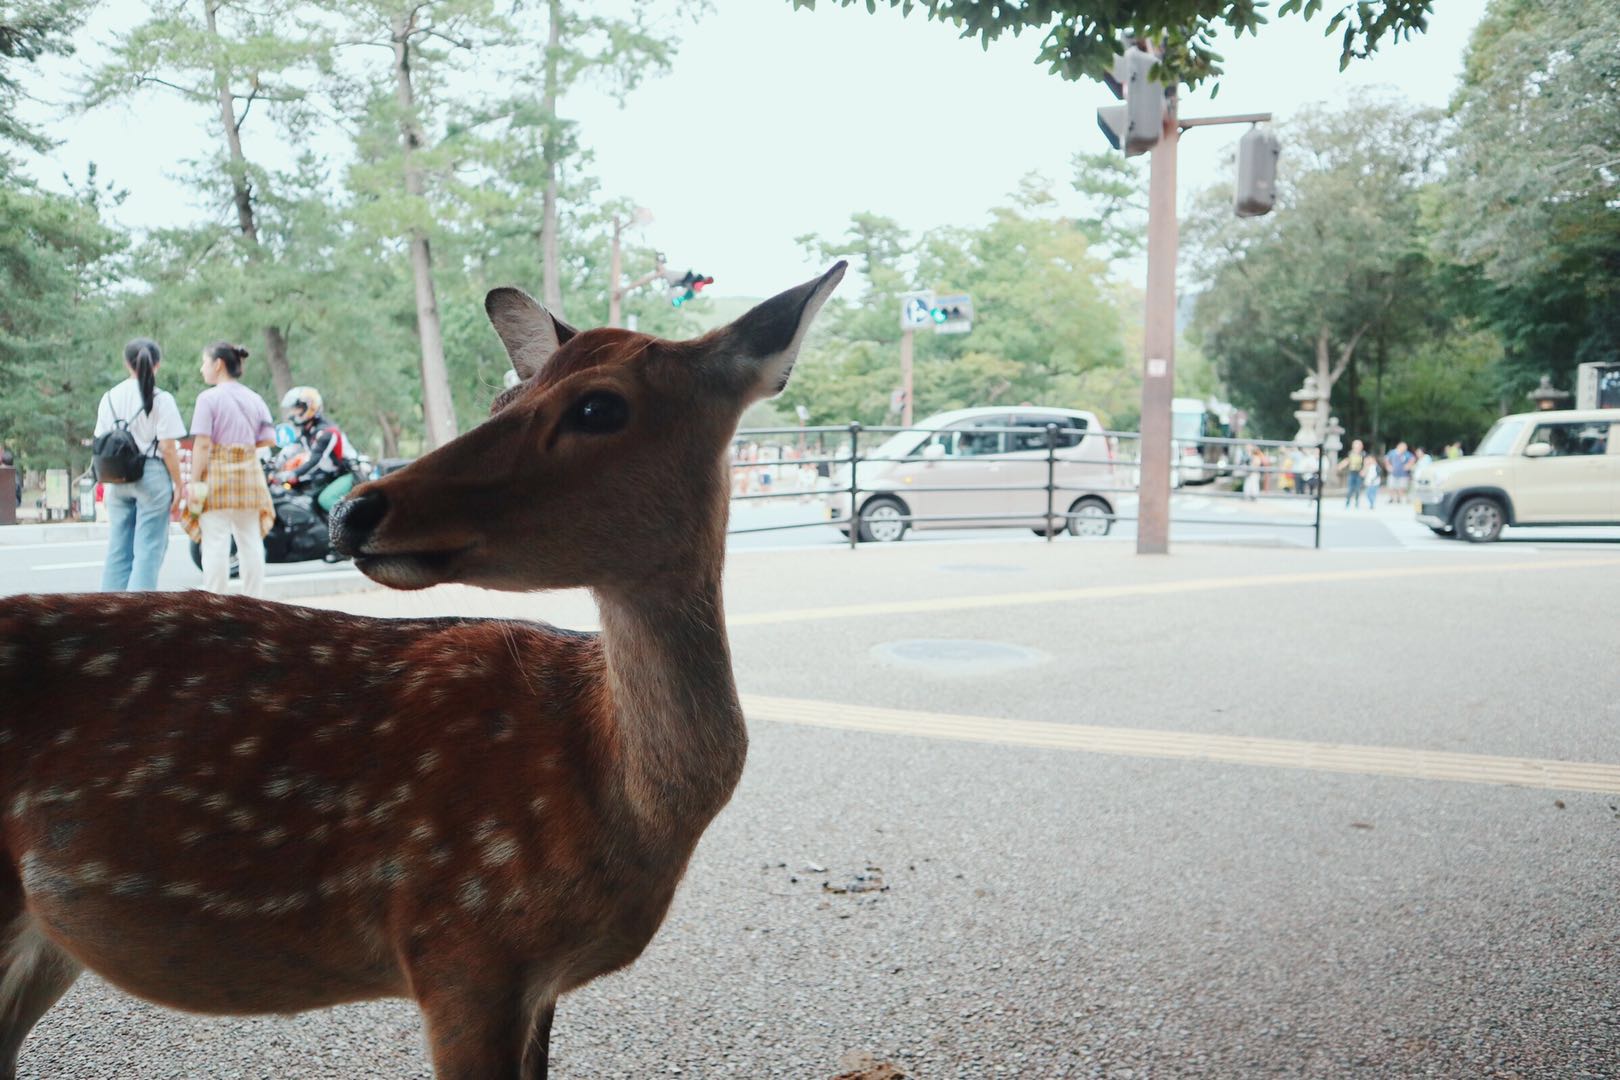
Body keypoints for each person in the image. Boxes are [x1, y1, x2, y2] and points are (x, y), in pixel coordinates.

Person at [95, 338, 186, 591]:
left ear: (127, 364)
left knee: (118, 548)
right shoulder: (161, 398)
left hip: (116, 476)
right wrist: (179, 485)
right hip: (152, 475)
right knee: (148, 549)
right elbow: (168, 447)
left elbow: (100, 439)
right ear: (157, 365)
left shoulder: (110, 397)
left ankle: (108, 613)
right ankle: (137, 617)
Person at [189, 341, 276, 597]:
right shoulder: (255, 398)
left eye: (204, 362)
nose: (202, 368)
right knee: (250, 541)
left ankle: (215, 602)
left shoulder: (208, 399)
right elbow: (269, 439)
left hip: (217, 475)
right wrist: (245, 446)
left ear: (218, 364)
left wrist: (194, 481)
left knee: (215, 541)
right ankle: (254, 601)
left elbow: (202, 443)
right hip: (249, 475)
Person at [279, 386, 353, 514]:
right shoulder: (307, 432)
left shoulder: (327, 432)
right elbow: (289, 450)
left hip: (349, 473)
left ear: (310, 408)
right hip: (331, 475)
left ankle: (356, 530)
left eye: (298, 408)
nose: (293, 413)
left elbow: (315, 461)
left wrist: (293, 474)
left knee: (326, 499)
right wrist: (274, 465)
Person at [1337, 438, 1367, 508]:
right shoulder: (1350, 453)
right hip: (1352, 472)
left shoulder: (1363, 454)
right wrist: (1340, 466)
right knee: (1350, 488)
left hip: (1359, 473)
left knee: (1357, 488)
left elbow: (1366, 463)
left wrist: (1364, 470)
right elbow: (1347, 460)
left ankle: (1356, 502)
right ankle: (1348, 502)